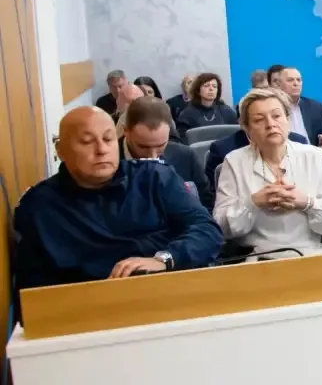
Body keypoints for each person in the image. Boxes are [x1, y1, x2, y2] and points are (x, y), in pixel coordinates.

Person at [13, 107, 222, 292]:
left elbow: (208, 231)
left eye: (108, 139)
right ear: (61, 151)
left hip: (169, 290)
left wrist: (164, 259)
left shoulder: (155, 177)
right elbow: (33, 291)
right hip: (88, 308)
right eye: (87, 142)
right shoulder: (39, 206)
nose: (101, 150)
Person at [213, 87, 322, 257]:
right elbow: (221, 227)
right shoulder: (234, 161)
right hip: (258, 256)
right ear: (247, 128)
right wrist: (253, 203)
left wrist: (307, 203)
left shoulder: (313, 156)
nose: (270, 124)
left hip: (311, 252)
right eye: (259, 120)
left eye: (276, 116)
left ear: (288, 119)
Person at [121, 97, 213, 209]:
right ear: (126, 131)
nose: (153, 156)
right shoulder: (108, 162)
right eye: (143, 147)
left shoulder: (185, 156)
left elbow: (207, 204)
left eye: (160, 146)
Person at [278, 67, 322, 149]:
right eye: (290, 80)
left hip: (311, 153)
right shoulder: (274, 108)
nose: (296, 83)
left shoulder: (315, 107)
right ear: (279, 85)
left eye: (299, 80)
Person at [175, 72, 238, 139]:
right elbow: (183, 139)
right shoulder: (186, 114)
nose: (211, 89)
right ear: (198, 91)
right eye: (206, 86)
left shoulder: (227, 111)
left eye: (214, 86)